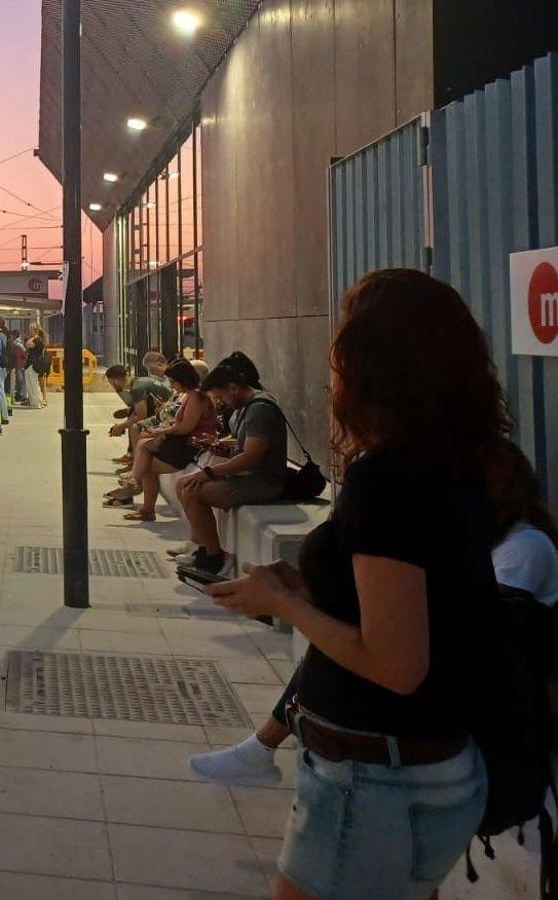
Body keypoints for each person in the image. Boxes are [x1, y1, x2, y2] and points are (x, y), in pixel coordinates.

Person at [199, 269, 506, 900]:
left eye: (341, 344)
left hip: (377, 778)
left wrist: (280, 601)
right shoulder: (462, 463)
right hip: (436, 762)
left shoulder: (386, 479)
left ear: (369, 366)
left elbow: (395, 664)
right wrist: (314, 590)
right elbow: (427, 601)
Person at [190, 439, 558, 791]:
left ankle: (261, 748)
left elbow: (472, 625)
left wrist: (286, 603)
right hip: (425, 704)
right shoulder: (473, 531)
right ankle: (260, 749)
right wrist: (302, 595)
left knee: (343, 646)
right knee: (332, 644)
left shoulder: (525, 546)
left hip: (462, 702)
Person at [175, 351, 285, 574]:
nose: (220, 401)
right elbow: (244, 447)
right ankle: (207, 550)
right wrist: (219, 446)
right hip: (250, 476)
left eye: (221, 396)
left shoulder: (260, 409)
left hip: (264, 482)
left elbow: (251, 457)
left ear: (233, 387)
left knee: (192, 489)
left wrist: (208, 472)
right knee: (183, 484)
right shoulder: (247, 408)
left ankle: (214, 556)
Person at [117, 358, 217, 522]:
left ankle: (136, 484)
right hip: (182, 442)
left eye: (173, 381)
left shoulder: (197, 398)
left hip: (190, 447)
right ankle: (139, 492)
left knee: (146, 456)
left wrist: (162, 431)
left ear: (182, 380)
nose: (171, 385)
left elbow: (185, 427)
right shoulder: (188, 395)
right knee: (144, 446)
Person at [106, 353, 172, 464]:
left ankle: (137, 461)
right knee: (132, 414)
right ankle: (132, 455)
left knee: (134, 426)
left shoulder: (137, 388)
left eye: (110, 382)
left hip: (167, 412)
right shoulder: (137, 382)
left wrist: (121, 426)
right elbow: (136, 406)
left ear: (115, 380)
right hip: (163, 409)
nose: (111, 385)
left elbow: (142, 415)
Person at [24, 325, 48, 410]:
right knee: (30, 383)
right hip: (30, 364)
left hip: (33, 364)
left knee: (33, 383)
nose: (29, 331)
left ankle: (37, 402)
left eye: (31, 329)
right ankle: (33, 401)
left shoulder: (37, 340)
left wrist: (34, 337)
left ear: (35, 331)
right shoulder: (37, 339)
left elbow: (28, 344)